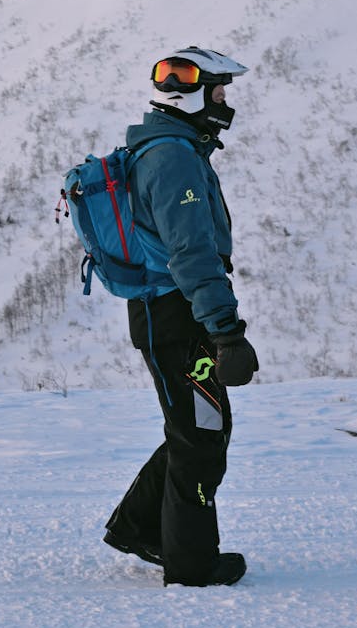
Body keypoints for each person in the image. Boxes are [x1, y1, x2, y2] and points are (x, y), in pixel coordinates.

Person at [103, 46, 259, 587]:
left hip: (166, 310)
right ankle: (191, 565)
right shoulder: (172, 157)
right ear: (194, 95)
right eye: (220, 91)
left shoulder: (169, 147)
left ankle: (140, 526)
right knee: (203, 432)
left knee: (193, 427)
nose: (224, 100)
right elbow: (190, 251)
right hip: (179, 315)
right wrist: (226, 332)